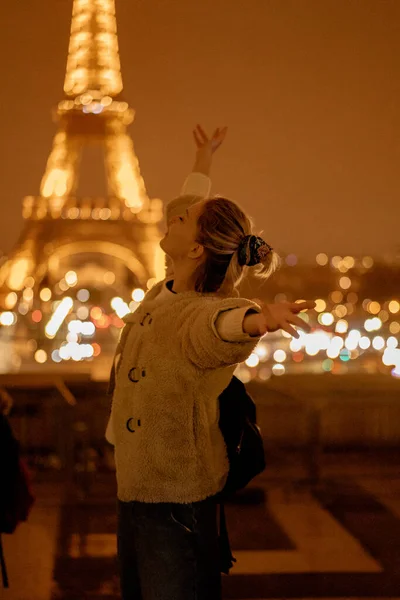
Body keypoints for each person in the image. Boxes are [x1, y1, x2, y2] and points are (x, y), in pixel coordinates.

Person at [106, 125, 315, 600]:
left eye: (182, 220)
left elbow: (221, 327)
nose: (170, 218)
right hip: (138, 485)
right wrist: (203, 161)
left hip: (176, 496)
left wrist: (259, 320)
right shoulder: (170, 286)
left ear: (197, 247)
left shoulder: (203, 310)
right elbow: (187, 204)